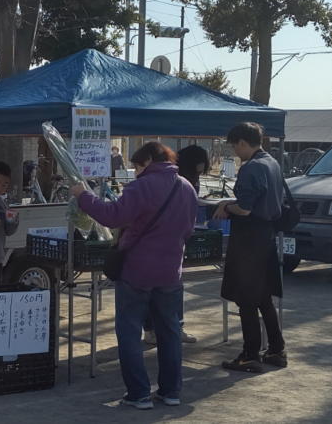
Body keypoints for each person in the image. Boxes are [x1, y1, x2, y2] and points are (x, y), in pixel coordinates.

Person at [71, 142, 197, 410]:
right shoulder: (186, 187)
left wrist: (83, 196)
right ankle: (171, 391)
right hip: (170, 272)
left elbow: (112, 217)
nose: (136, 171)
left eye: (138, 166)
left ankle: (138, 394)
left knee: (129, 332)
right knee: (170, 332)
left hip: (137, 271)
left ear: (148, 161)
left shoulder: (141, 187)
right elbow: (189, 229)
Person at [213, 122, 286, 373]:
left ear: (243, 143)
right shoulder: (272, 163)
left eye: (235, 147)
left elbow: (244, 209)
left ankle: (250, 354)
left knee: (246, 299)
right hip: (267, 237)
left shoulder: (252, 168)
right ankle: (276, 349)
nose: (235, 152)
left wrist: (225, 206)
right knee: (264, 297)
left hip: (248, 241)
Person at [144, 144, 211, 346]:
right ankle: (152, 330)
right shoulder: (170, 179)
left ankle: (173, 328)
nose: (199, 174)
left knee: (171, 289)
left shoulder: (190, 182)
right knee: (153, 290)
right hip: (157, 244)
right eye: (198, 168)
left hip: (174, 244)